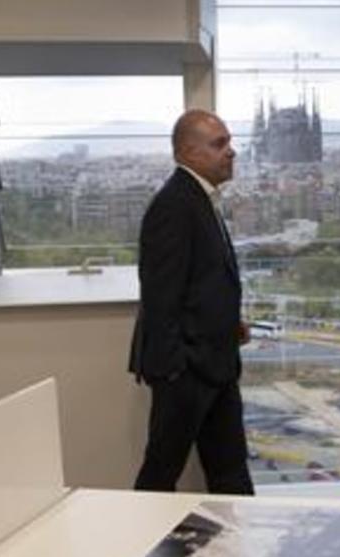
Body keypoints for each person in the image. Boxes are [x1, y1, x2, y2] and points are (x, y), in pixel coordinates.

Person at [128, 109, 254, 495]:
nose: (231, 152)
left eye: (229, 142)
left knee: (230, 471)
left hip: (215, 363)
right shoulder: (174, 205)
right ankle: (136, 550)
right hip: (187, 371)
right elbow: (160, 295)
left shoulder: (199, 198)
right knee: (161, 473)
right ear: (187, 152)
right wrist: (174, 372)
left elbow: (200, 284)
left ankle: (238, 553)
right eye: (219, 144)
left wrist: (228, 325)